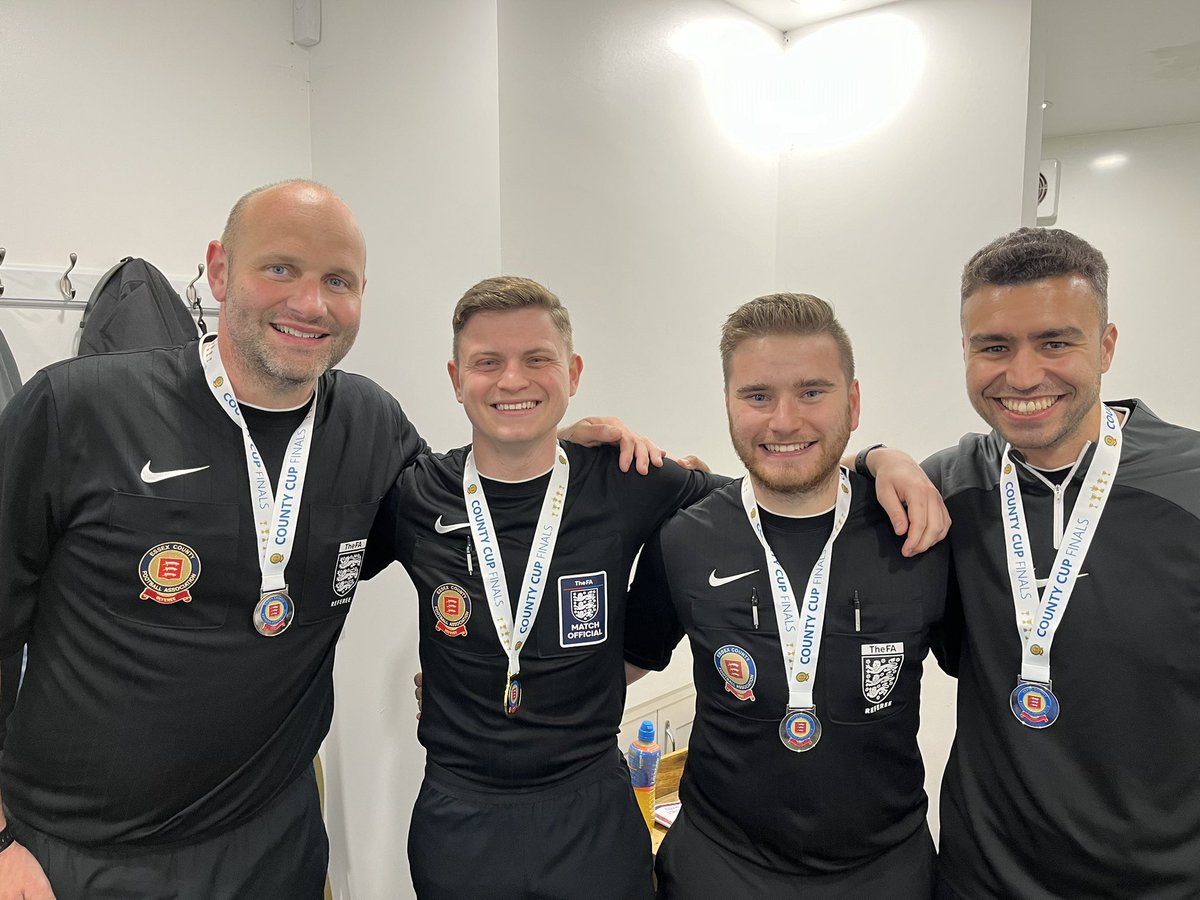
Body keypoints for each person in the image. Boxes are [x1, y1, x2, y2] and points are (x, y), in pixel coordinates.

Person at [0, 182, 649, 900]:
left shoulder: (370, 424)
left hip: (275, 844)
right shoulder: (78, 407)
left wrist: (562, 452)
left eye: (337, 280)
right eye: (280, 268)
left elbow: (474, 526)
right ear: (219, 270)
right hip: (75, 854)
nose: (311, 304)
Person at [362, 276, 729, 900]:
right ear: (455, 378)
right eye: (487, 362)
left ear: (573, 371)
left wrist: (641, 647)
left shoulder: (625, 477)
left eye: (537, 359)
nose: (512, 380)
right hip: (460, 814)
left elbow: (741, 512)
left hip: (590, 810)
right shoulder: (415, 493)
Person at [872, 227, 1200, 899]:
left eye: (1056, 342)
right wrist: (880, 455)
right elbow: (810, 487)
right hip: (979, 880)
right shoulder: (946, 486)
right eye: (994, 347)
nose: (1022, 376)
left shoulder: (1190, 487)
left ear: (1106, 346)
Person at [622, 293, 950, 898]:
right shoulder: (685, 537)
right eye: (757, 396)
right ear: (728, 403)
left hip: (884, 870)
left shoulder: (918, 532)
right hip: (717, 867)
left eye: (811, 391)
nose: (783, 420)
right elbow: (615, 667)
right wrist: (473, 680)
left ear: (853, 401)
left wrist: (881, 457)